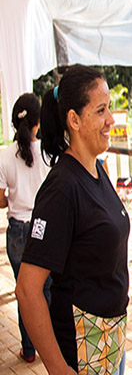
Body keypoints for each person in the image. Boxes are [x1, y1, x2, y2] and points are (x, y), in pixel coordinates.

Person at [15, 65, 130, 375]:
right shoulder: (62, 189)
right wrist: (57, 367)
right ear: (74, 119)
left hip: (112, 341)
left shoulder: (96, 169)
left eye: (110, 109)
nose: (111, 120)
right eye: (101, 110)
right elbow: (27, 289)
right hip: (82, 347)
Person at [0, 93, 51, 363]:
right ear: (37, 122)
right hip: (43, 229)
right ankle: (50, 344)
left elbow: (0, 200)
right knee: (47, 289)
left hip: (17, 231)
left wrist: (14, 197)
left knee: (25, 292)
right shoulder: (46, 151)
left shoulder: (4, 155)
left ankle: (29, 349)